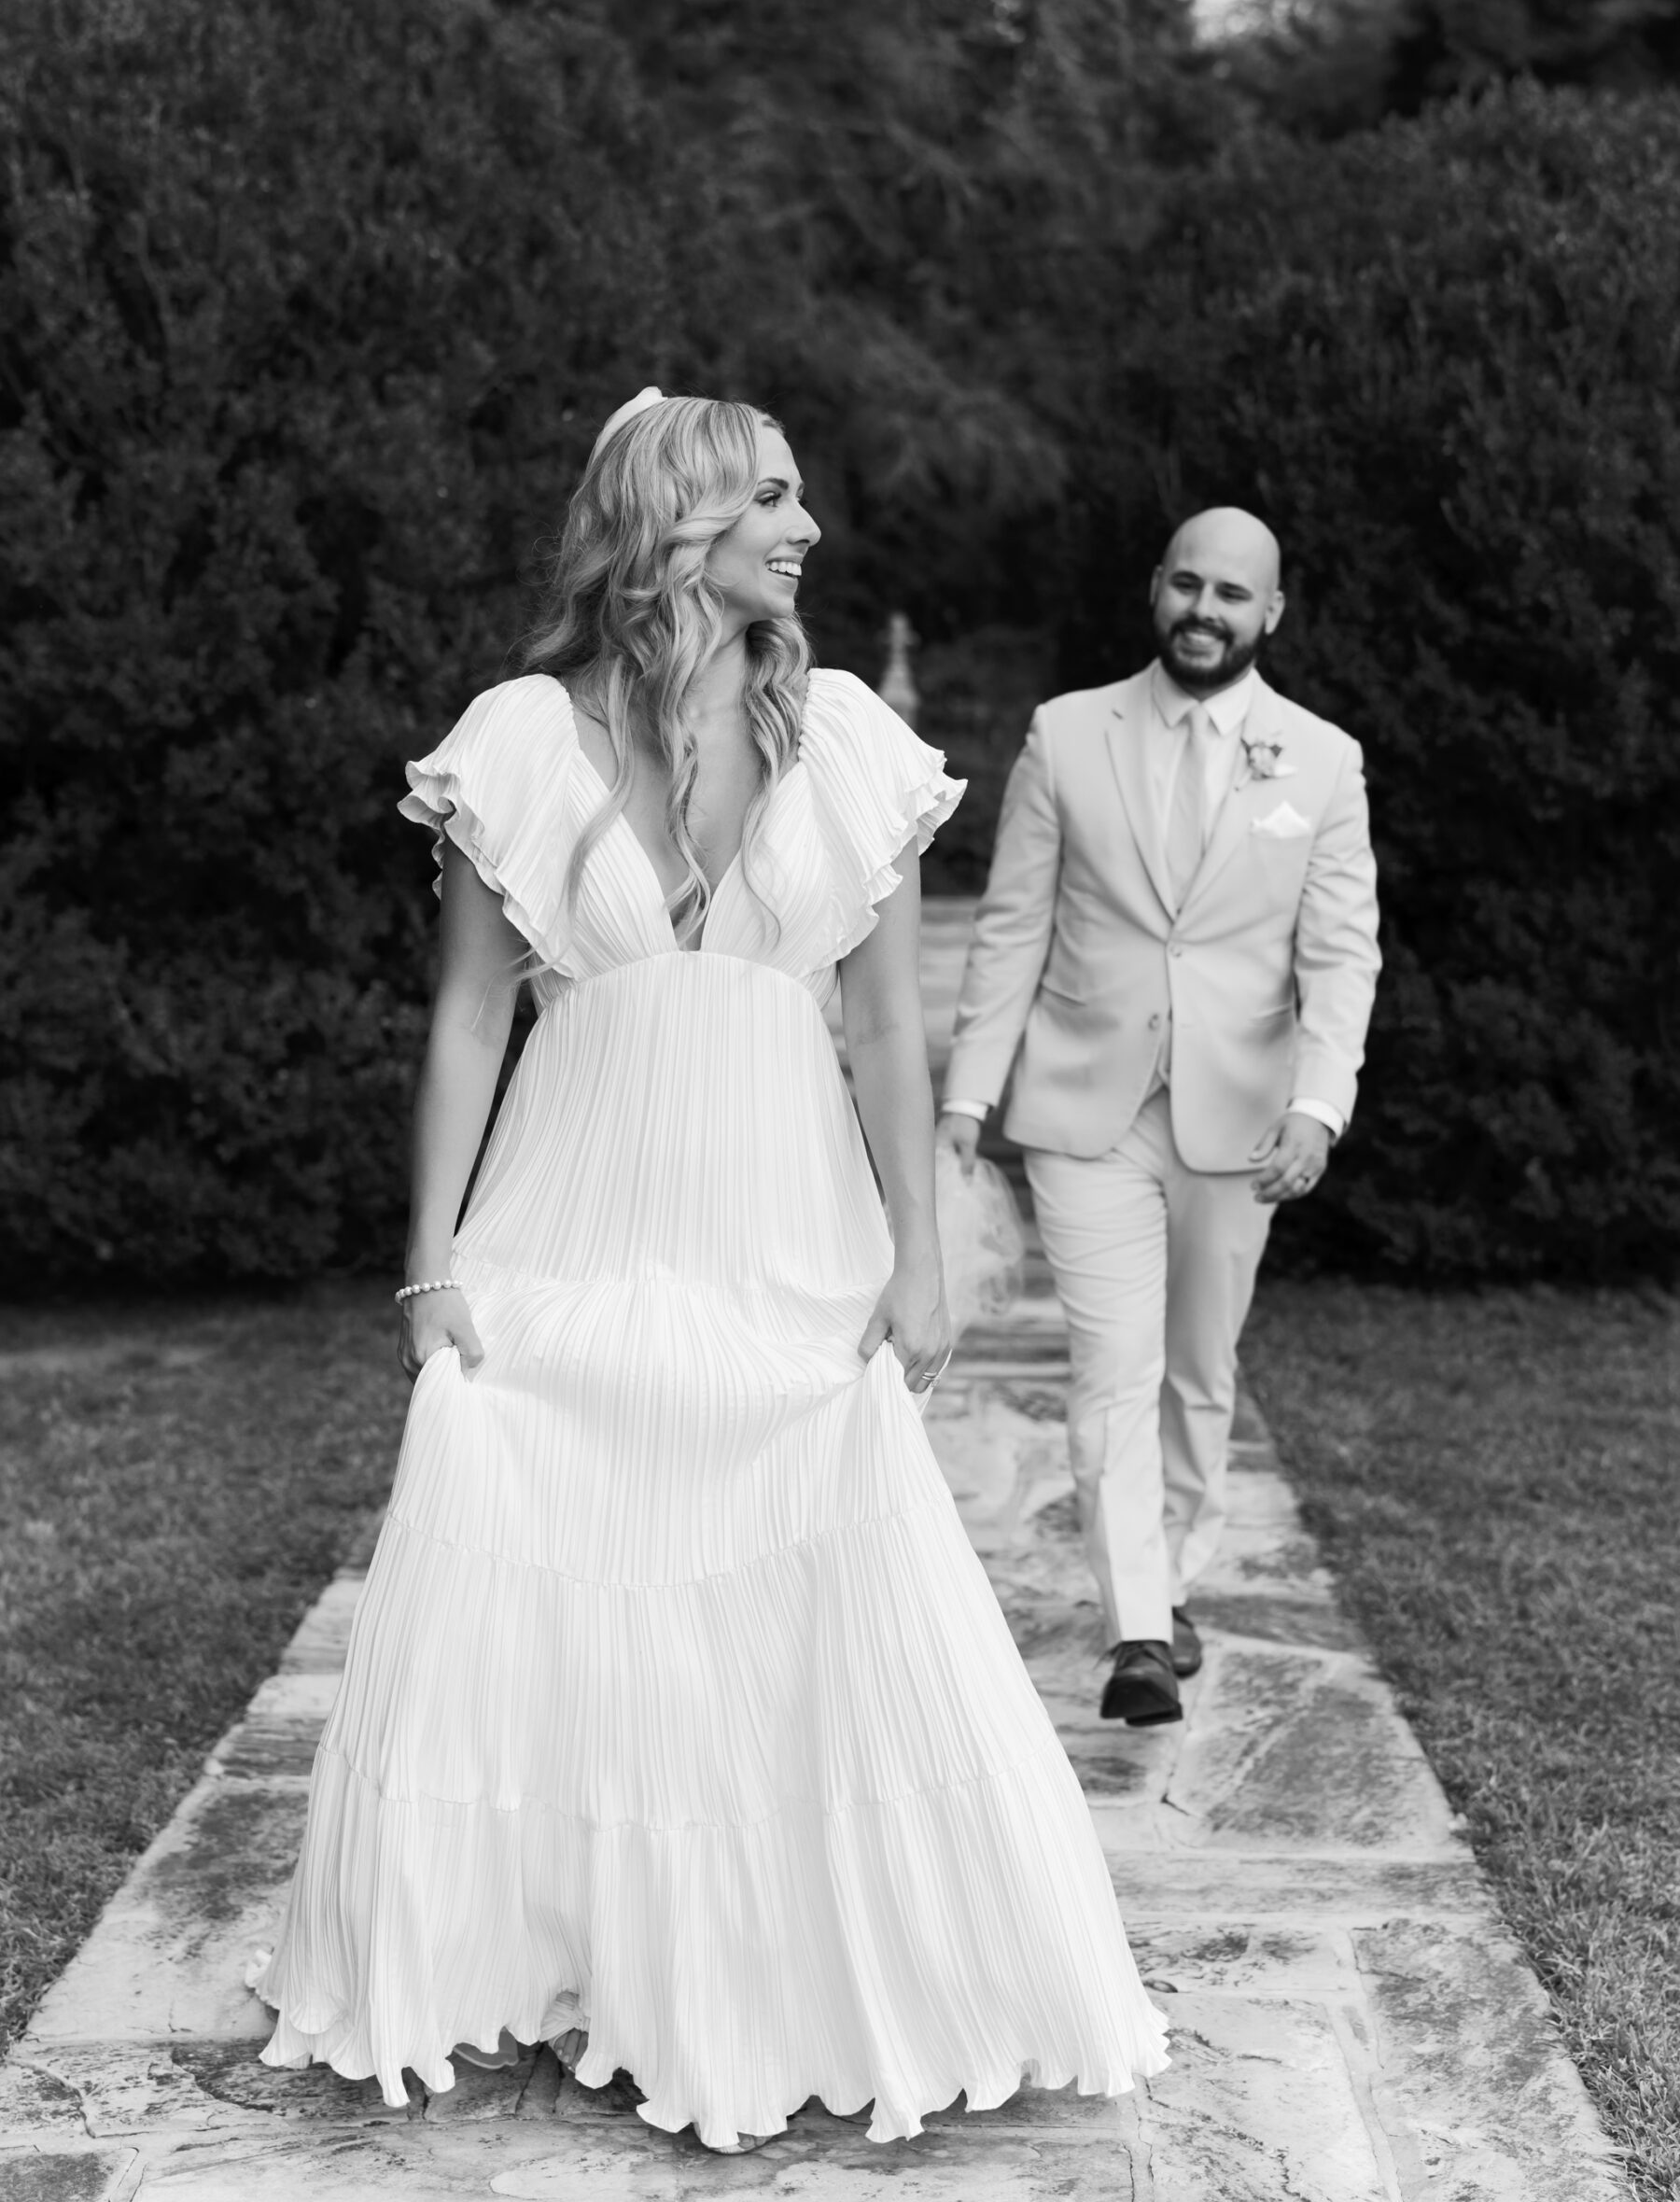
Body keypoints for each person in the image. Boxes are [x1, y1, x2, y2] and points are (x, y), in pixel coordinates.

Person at [254, 390, 1168, 2149]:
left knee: (808, 1596)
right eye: (769, 494)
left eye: (803, 495)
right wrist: (429, 1262)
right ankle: (547, 1953)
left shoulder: (841, 733)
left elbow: (890, 1029)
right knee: (548, 1580)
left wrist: (924, 1252)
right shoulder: (522, 736)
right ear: (675, 521)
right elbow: (465, 1012)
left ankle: (790, 1975)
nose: (806, 524)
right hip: (571, 1224)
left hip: (783, 1232)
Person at [938, 510, 1379, 1729]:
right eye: (1188, 584)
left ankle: (1172, 1578)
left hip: (1239, 1124)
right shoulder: (1068, 734)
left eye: (1233, 594)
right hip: (1087, 1110)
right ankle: (1137, 1627)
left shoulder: (1323, 762)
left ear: (1271, 613)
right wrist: (969, 1098)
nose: (1206, 609)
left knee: (1198, 1371)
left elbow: (1342, 960)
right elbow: (1012, 926)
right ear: (1155, 591)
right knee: (1112, 1370)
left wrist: (1317, 1108)